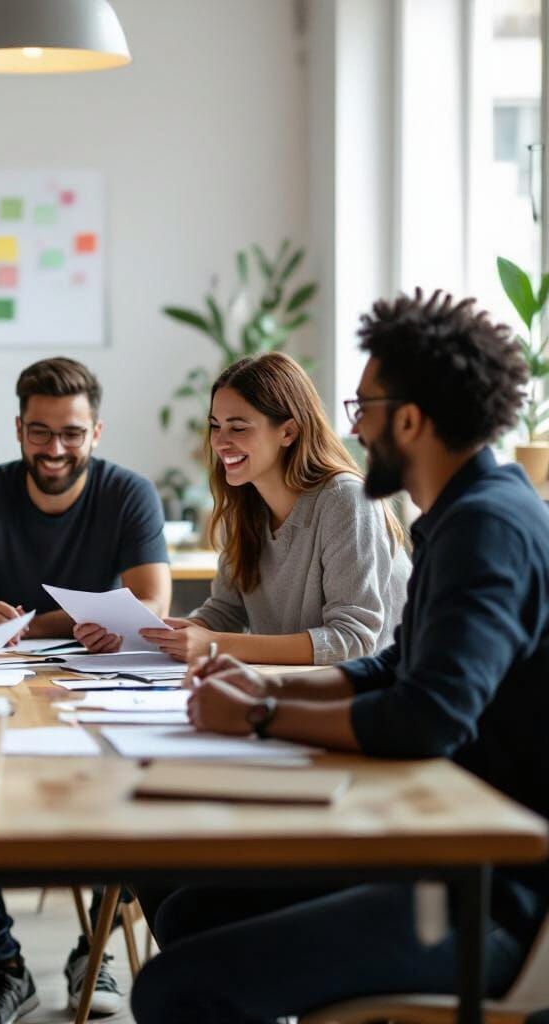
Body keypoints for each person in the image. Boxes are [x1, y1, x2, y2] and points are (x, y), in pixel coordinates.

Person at [131, 290, 549, 1024]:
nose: (352, 428)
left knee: (172, 988)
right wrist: (261, 695)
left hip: (490, 896)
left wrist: (260, 716)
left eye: (365, 408)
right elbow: (391, 669)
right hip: (442, 852)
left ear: (409, 420)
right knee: (189, 907)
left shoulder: (488, 528)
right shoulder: (462, 515)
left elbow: (426, 716)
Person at [0, 356, 172, 1021]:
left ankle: (96, 948)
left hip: (97, 676)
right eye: (40, 432)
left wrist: (35, 625)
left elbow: (150, 601)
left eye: (71, 433)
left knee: (142, 777)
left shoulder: (128, 493)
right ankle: (1, 967)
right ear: (19, 429)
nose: (55, 448)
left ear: (96, 432)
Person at [141, 351, 410, 665]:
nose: (219, 442)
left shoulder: (345, 499)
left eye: (238, 428)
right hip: (292, 683)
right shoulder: (244, 503)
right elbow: (226, 611)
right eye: (215, 426)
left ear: (288, 432)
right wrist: (162, 635)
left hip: (374, 688)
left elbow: (352, 639)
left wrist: (215, 644)